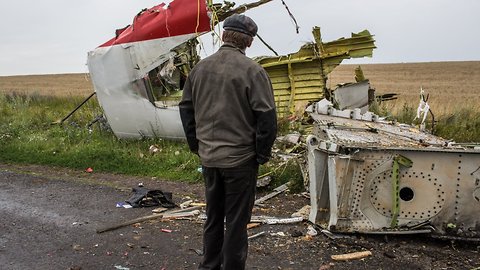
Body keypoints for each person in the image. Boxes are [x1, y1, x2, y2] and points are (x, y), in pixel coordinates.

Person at [179, 13, 277, 270]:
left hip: (210, 159)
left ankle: (209, 265)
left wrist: (196, 146)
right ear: (249, 42)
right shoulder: (254, 72)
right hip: (240, 162)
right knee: (236, 221)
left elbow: (186, 109)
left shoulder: (199, 69)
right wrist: (261, 155)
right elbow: (266, 119)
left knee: (213, 217)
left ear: (223, 35)